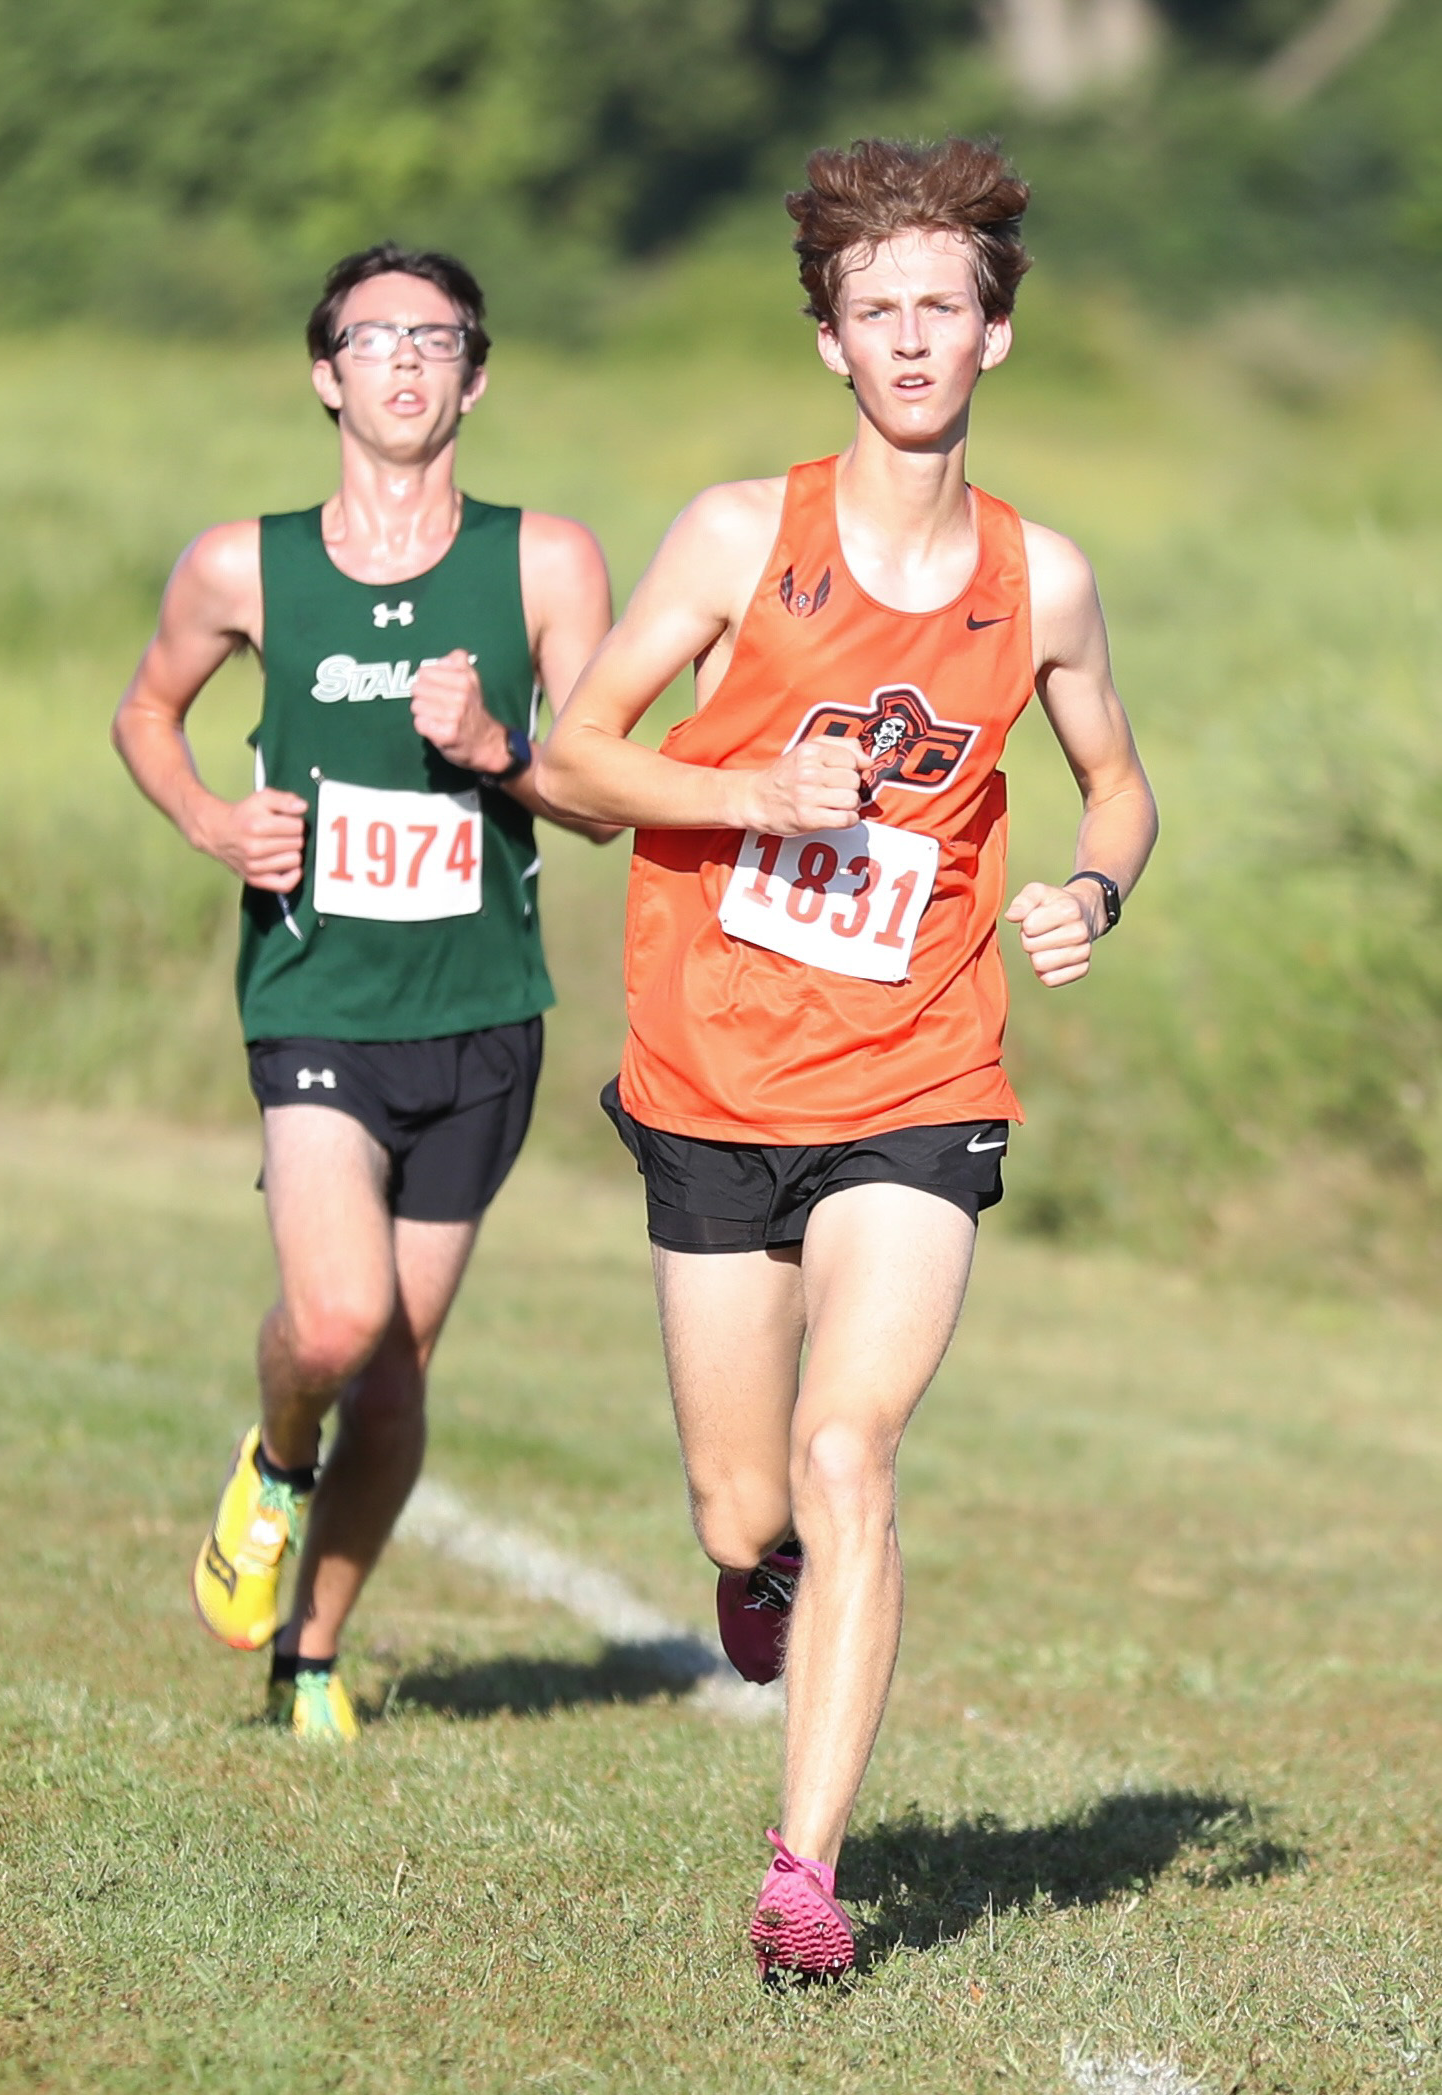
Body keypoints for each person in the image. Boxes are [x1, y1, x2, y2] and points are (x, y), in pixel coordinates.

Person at [536, 138, 1158, 1979]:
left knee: (847, 1446)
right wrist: (749, 791)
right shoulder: (741, 534)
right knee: (745, 1506)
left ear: (992, 336)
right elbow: (573, 761)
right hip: (713, 1074)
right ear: (828, 341)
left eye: (938, 307)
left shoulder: (1043, 580)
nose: (907, 337)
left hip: (920, 1077)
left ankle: (802, 1874)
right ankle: (765, 1569)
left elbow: (1116, 784)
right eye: (872, 309)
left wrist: (1090, 892)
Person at [113, 242, 614, 1741]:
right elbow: (147, 712)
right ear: (326, 376)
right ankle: (275, 1464)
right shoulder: (241, 564)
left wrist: (498, 751)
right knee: (334, 1325)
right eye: (374, 337)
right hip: (316, 998)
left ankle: (311, 1656)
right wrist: (212, 821)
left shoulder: (545, 562)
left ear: (477, 377)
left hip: (483, 1017)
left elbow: (603, 798)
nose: (404, 358)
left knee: (395, 1381)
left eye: (436, 337)